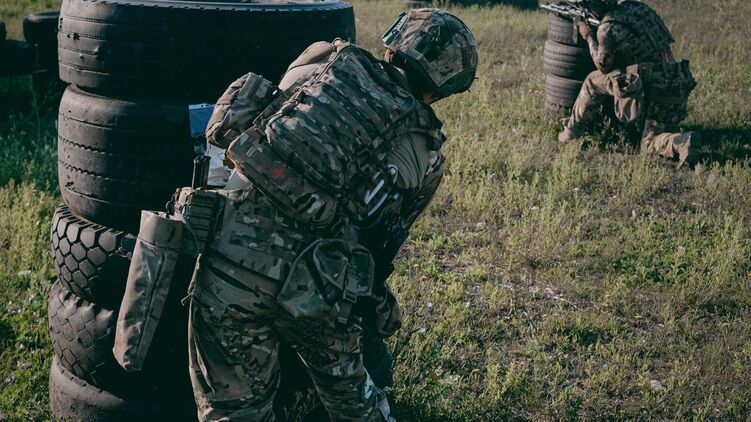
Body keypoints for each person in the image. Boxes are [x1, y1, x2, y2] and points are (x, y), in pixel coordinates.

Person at [186, 8, 478, 421]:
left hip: (232, 261)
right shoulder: (426, 154)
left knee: (234, 411)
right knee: (356, 409)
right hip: (317, 289)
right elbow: (380, 249)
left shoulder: (324, 58)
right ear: (444, 87)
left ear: (394, 44)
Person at [557, 0, 700, 168]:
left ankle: (570, 134)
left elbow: (603, 65)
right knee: (651, 140)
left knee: (592, 82)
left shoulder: (606, 29)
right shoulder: (638, 7)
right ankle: (682, 141)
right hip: (676, 81)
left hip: (652, 85)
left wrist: (588, 35)